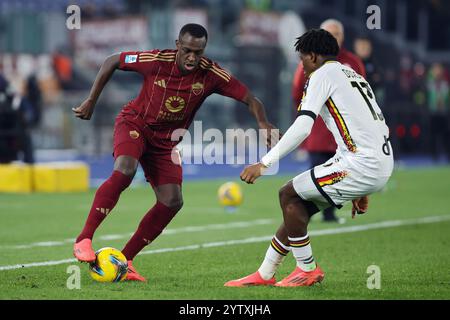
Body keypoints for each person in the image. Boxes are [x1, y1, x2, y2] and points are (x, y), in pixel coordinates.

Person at [72, 24, 277, 281]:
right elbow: (112, 61)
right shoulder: (156, 60)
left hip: (165, 144)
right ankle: (84, 239)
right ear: (177, 45)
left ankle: (125, 260)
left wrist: (262, 122)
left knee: (172, 201)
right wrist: (91, 100)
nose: (192, 57)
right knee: (125, 170)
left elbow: (251, 99)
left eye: (198, 52)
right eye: (188, 50)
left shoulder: (211, 74)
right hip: (135, 124)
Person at [225, 29, 393, 287]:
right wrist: (364, 185)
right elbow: (372, 125)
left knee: (288, 194)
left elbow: (303, 127)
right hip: (375, 159)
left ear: (313, 56)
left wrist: (264, 163)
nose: (301, 65)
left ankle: (307, 269)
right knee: (300, 205)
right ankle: (265, 273)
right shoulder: (353, 74)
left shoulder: (321, 75)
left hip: (361, 164)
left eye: (302, 58)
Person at [292, 19, 366, 223]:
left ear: (343, 36)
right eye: (329, 34)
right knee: (316, 171)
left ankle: (327, 211)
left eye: (337, 34)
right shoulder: (310, 61)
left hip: (347, 132)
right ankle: (312, 210)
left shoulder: (353, 62)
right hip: (319, 129)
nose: (334, 38)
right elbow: (297, 91)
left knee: (343, 172)